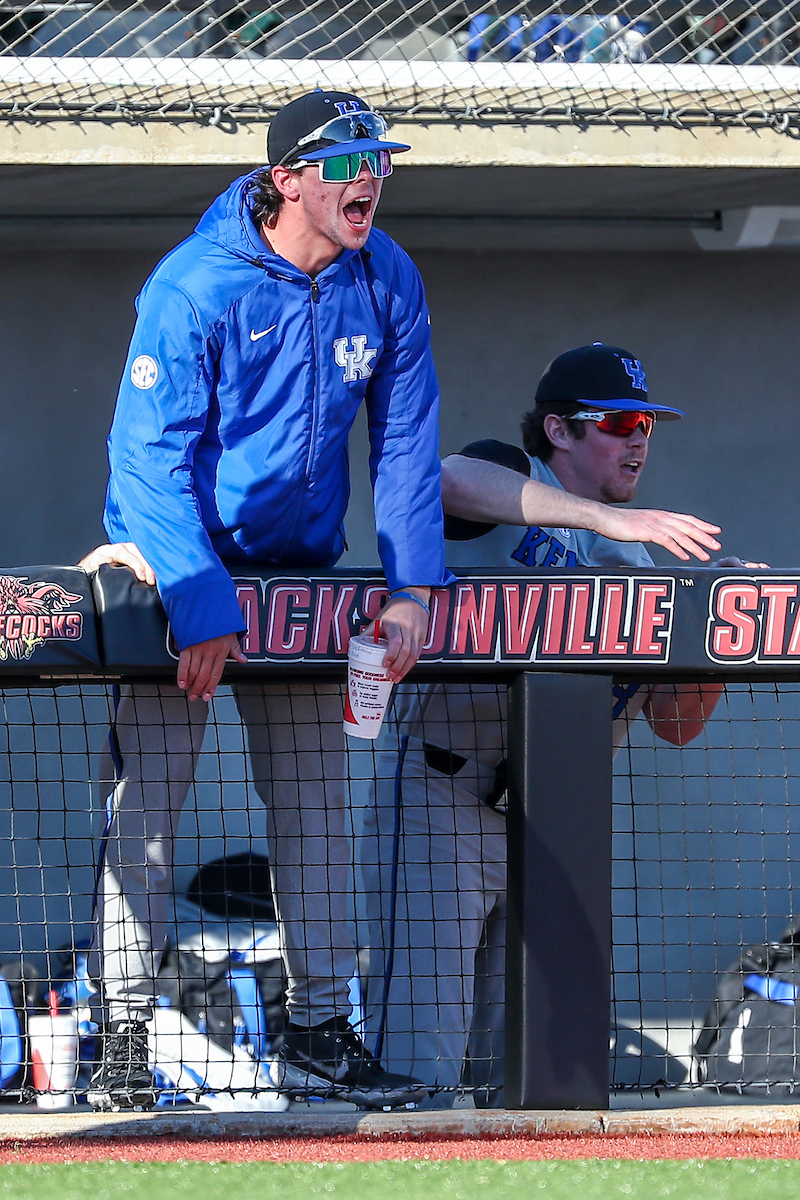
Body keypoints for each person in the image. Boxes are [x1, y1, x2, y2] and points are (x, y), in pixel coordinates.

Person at [79, 87, 454, 1112]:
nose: (368, 179)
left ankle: (321, 1031)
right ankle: (120, 1039)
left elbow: (408, 442)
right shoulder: (195, 284)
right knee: (145, 815)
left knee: (314, 814)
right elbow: (144, 459)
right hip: (174, 572)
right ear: (286, 179)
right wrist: (199, 600)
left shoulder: (386, 274)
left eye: (380, 162)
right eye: (346, 164)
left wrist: (414, 588)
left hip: (295, 581)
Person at [358, 342, 766, 1108]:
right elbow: (441, 479)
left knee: (530, 1077)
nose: (640, 437)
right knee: (418, 1067)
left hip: (554, 828)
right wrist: (609, 520)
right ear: (560, 429)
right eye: (618, 421)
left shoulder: (646, 562)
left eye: (648, 422)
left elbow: (676, 725)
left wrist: (708, 634)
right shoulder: (512, 474)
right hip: (442, 796)